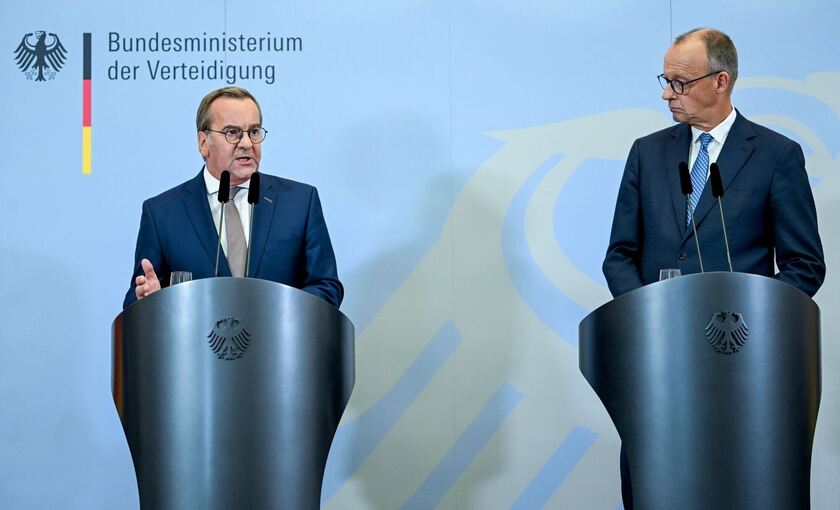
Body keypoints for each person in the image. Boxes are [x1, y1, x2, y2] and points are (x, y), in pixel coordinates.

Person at [602, 28, 826, 508]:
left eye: (680, 83)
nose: (667, 94)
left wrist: (750, 324)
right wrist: (645, 317)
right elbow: (620, 254)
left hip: (742, 370)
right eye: (665, 80)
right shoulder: (647, 152)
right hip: (659, 367)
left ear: (721, 81)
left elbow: (805, 265)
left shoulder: (776, 155)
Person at [123, 86, 343, 309]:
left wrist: (277, 313)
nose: (247, 143)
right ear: (203, 143)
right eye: (232, 132)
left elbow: (326, 286)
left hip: (279, 341)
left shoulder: (299, 203)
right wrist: (149, 299)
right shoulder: (162, 214)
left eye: (254, 131)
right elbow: (136, 299)